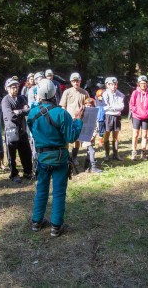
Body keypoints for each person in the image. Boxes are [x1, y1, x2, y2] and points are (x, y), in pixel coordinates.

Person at [27, 79, 83, 237]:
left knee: (41, 190)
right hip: (59, 159)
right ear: (54, 93)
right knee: (58, 192)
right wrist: (77, 121)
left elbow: (32, 131)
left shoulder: (32, 113)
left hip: (42, 159)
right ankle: (56, 226)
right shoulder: (61, 114)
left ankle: (37, 222)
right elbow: (71, 137)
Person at [2, 78, 33, 183]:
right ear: (8, 88)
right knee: (11, 153)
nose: (16, 89)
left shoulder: (21, 98)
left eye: (17, 87)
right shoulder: (5, 100)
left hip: (22, 130)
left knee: (26, 152)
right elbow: (10, 116)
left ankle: (28, 172)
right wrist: (21, 112)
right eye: (13, 87)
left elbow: (28, 110)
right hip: (11, 131)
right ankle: (14, 174)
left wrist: (18, 112)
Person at [59, 72, 89, 167]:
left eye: (77, 81)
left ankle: (74, 156)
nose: (76, 83)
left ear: (80, 81)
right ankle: (66, 156)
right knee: (66, 138)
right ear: (71, 82)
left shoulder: (84, 92)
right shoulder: (67, 92)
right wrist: (64, 118)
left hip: (79, 119)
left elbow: (88, 105)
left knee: (77, 139)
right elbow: (63, 106)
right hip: (68, 118)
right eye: (74, 81)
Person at [129, 75, 148, 160]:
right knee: (135, 135)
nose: (143, 85)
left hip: (146, 117)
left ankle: (143, 152)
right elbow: (131, 105)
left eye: (145, 83)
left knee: (144, 135)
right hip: (136, 116)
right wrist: (137, 111)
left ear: (147, 83)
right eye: (141, 83)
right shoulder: (135, 93)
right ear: (138, 84)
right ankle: (134, 152)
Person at [102, 77, 125, 161]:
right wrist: (115, 107)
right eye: (111, 84)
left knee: (115, 136)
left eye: (115, 84)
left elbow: (121, 107)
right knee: (106, 135)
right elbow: (105, 107)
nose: (113, 86)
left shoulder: (120, 94)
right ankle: (107, 154)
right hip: (108, 116)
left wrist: (112, 107)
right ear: (108, 85)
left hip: (117, 116)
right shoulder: (104, 94)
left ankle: (116, 154)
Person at [82, 98, 102, 173]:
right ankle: (93, 167)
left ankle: (86, 166)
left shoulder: (94, 114)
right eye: (87, 105)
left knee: (89, 152)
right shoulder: (82, 114)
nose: (89, 107)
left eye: (90, 105)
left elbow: (96, 126)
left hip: (91, 135)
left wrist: (93, 135)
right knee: (92, 151)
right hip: (85, 135)